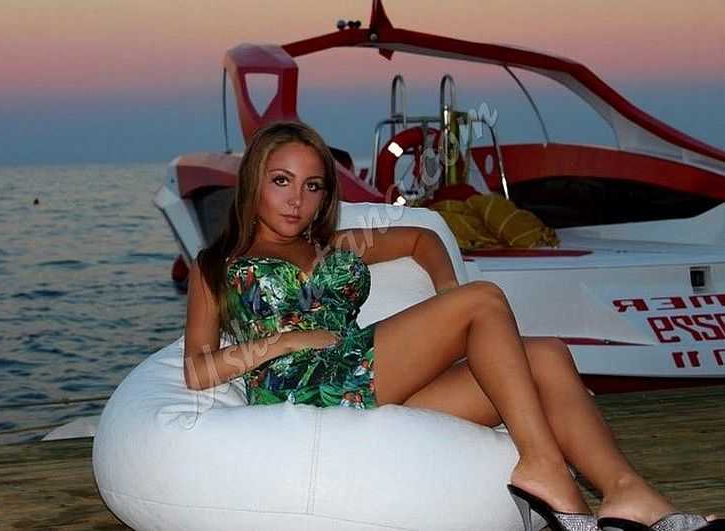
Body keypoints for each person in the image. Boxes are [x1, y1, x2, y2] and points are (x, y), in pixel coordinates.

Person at [183, 120, 723, 531]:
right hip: (305, 387)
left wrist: (445, 292)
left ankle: (628, 492)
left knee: (547, 355)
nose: (297, 200)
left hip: (365, 379)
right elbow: (196, 370)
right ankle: (543, 468)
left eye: (313, 186)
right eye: (281, 181)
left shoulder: (337, 245)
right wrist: (285, 342)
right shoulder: (218, 265)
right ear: (254, 182)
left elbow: (421, 239)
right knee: (482, 300)